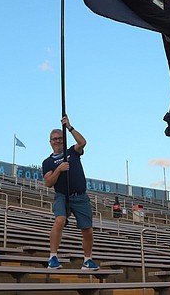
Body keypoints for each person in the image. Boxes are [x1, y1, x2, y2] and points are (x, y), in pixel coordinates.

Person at [42, 114, 99, 271]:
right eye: (54, 139)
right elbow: (48, 183)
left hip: (80, 196)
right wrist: (59, 170)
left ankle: (87, 260)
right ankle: (53, 257)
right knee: (60, 219)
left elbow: (82, 142)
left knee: (87, 229)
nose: (58, 140)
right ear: (50, 142)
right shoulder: (47, 162)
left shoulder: (72, 152)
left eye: (60, 138)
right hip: (62, 195)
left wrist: (69, 127)